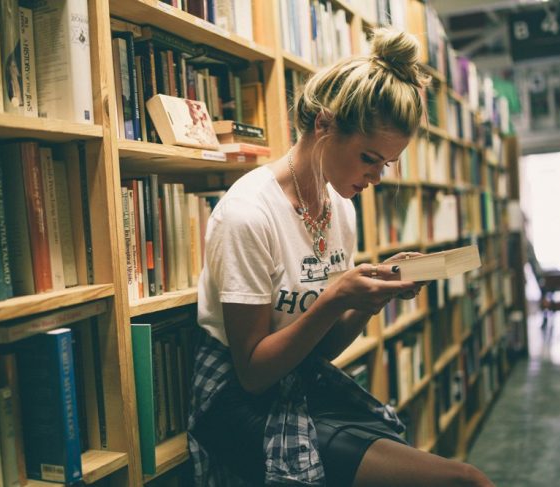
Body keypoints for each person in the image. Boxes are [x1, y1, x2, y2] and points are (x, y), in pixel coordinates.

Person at [188, 28, 495, 487]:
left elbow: (322, 351)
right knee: (462, 480)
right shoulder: (248, 213)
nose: (376, 176)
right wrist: (336, 298)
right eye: (369, 158)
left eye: (386, 165)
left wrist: (365, 304)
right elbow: (253, 372)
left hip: (299, 381)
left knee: (452, 474)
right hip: (235, 398)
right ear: (324, 125)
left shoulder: (341, 211)